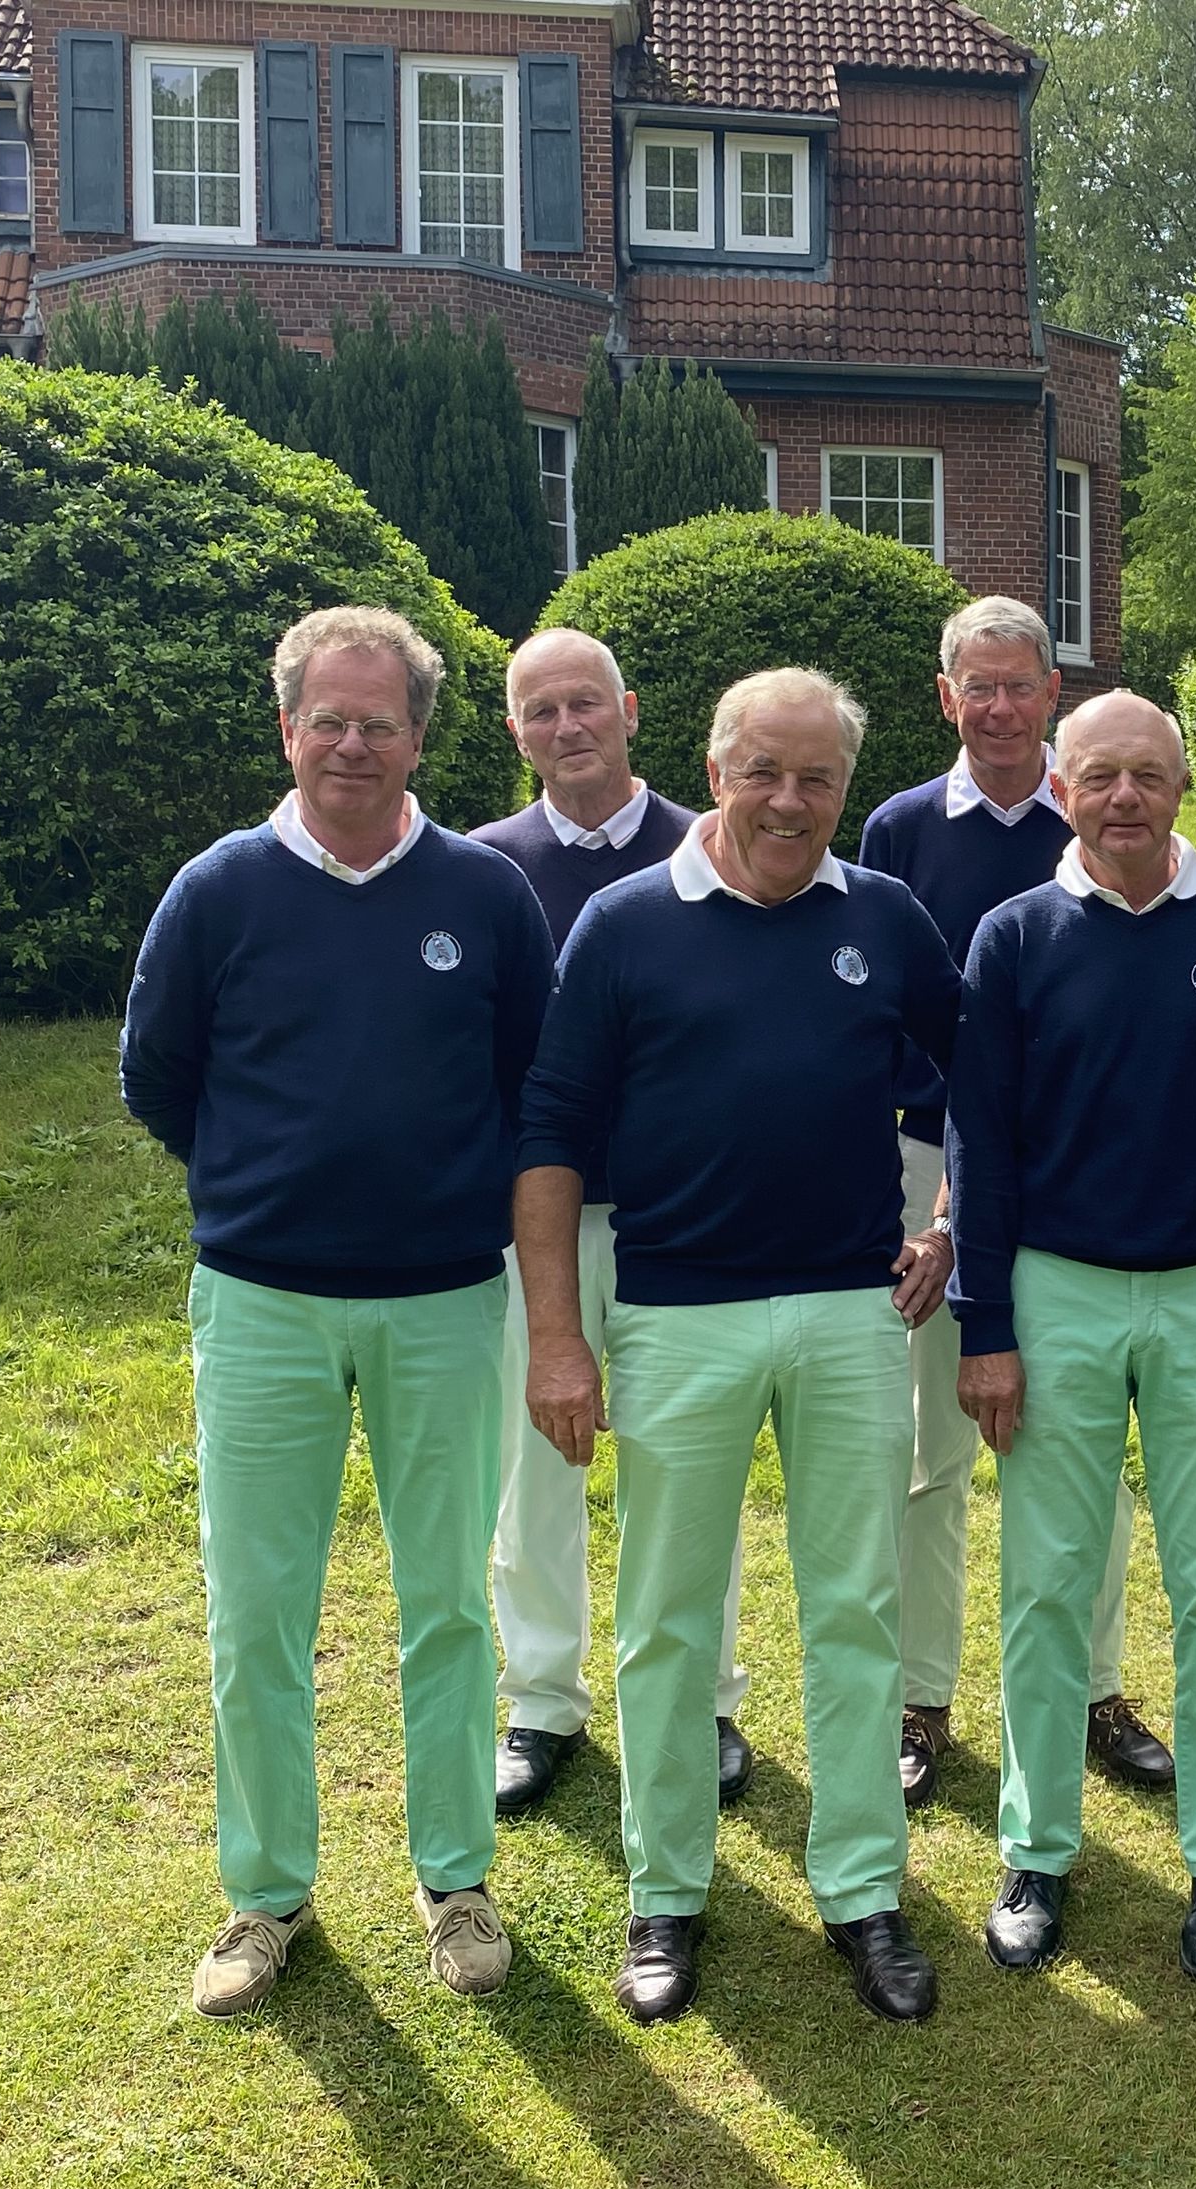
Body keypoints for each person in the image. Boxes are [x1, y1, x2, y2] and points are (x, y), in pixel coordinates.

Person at [122, 605, 554, 2018]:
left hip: (442, 1300)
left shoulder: (486, 895)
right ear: (287, 728)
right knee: (258, 1610)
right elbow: (158, 1075)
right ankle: (267, 1894)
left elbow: (531, 1081)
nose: (352, 744)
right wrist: (262, 1185)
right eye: (329, 719)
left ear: (420, 737)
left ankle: (456, 1879)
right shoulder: (219, 890)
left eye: (379, 722)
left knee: (448, 1603)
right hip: (263, 1302)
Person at [517, 668, 959, 2027]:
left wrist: (953, 1220)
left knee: (855, 1607)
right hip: (675, 1314)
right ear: (715, 773)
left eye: (817, 778)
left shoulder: (883, 916)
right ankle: (667, 1893)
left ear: (845, 789)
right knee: (666, 1619)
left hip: (850, 1313)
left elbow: (984, 1082)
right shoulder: (625, 922)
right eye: (763, 771)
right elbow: (551, 1131)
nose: (788, 800)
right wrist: (557, 1338)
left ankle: (863, 1889)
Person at [944, 692, 1196, 1981]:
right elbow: (980, 1142)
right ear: (1063, 791)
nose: (1123, 797)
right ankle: (1036, 1850)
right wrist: (986, 1325)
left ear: (1181, 786)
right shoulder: (1014, 935)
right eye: (1099, 775)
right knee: (1047, 1583)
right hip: (1056, 1288)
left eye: (1147, 775)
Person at [854, 597, 1171, 1810]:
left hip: (1082, 1171)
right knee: (929, 1449)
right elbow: (872, 1010)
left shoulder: (1101, 807)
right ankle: (920, 1698)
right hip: (927, 1163)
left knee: (1084, 1446)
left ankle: (1096, 1689)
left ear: (1053, 693)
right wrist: (929, 1203)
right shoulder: (897, 829)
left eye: (1017, 685)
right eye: (974, 687)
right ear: (947, 698)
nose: (997, 708)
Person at [468, 630, 756, 1820]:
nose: (567, 726)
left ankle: (702, 1696)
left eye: (585, 703)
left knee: (688, 1474)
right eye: (541, 710)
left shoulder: (715, 848)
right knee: (532, 1469)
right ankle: (542, 1700)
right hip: (534, 1227)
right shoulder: (484, 871)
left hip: (681, 1221)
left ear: (630, 710)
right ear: (516, 730)